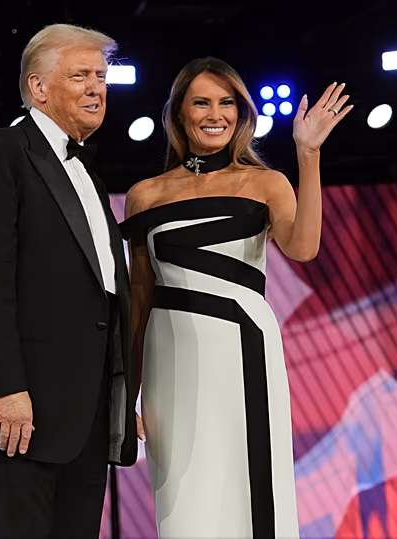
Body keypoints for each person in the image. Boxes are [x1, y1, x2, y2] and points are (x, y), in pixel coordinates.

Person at [120, 57, 352, 537]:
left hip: (244, 351)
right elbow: (139, 301)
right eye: (201, 102)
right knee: (184, 506)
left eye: (227, 103)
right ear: (179, 114)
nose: (215, 113)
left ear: (242, 113)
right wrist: (126, 394)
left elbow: (304, 247)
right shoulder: (145, 195)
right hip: (171, 364)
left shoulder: (265, 182)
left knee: (251, 496)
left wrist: (308, 155)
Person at [0, 24, 137, 537]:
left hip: (84, 417)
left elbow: (105, 295)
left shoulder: (88, 171)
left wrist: (120, 396)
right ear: (39, 87)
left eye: (101, 76)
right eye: (80, 75)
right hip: (17, 413)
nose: (97, 87)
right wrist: (4, 388)